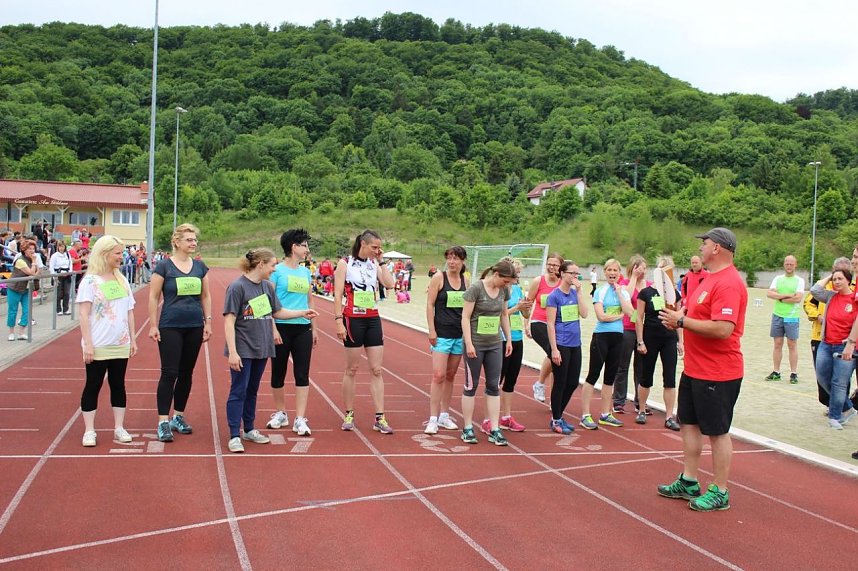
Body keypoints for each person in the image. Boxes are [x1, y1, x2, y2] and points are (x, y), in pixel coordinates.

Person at [657, 227, 747, 512]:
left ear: (717, 248)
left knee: (718, 432)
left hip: (718, 372)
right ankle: (689, 480)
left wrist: (681, 323)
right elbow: (696, 313)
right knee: (690, 424)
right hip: (695, 369)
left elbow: (723, 328)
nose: (700, 248)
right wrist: (679, 316)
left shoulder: (729, 283)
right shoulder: (708, 280)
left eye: (704, 243)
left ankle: (720, 490)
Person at [223, 248, 318, 453]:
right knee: (239, 390)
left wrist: (302, 312)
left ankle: (248, 429)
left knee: (252, 390)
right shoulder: (237, 287)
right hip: (243, 348)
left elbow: (278, 312)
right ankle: (234, 435)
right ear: (261, 264)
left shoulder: (266, 287)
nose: (275, 269)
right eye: (273, 265)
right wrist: (232, 351)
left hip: (261, 348)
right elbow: (229, 320)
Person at [148, 224, 212, 443]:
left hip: (194, 325)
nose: (193, 243)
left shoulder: (200, 267)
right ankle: (163, 421)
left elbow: (206, 296)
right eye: (188, 240)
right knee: (169, 373)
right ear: (176, 242)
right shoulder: (164, 267)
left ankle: (178, 416)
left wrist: (208, 322)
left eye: (194, 240)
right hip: (170, 325)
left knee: (187, 373)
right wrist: (153, 325)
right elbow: (153, 297)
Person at [77, 235, 138, 447]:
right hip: (98, 343)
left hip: (120, 343)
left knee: (118, 385)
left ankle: (119, 427)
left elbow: (129, 310)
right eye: (118, 253)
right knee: (93, 385)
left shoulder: (122, 279)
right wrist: (88, 343)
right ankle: (89, 430)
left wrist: (132, 339)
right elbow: (84, 314)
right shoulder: (90, 282)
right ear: (105, 254)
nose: (121, 257)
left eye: (122, 253)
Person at [334, 230, 396, 434]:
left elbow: (389, 284)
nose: (377, 250)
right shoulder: (345, 263)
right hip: (352, 319)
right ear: (363, 243)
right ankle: (349, 413)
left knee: (377, 369)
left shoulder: (374, 263)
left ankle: (380, 417)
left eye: (379, 248)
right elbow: (337, 294)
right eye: (374, 247)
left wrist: (382, 261)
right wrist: (338, 321)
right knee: (351, 369)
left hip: (372, 319)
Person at [460, 260, 516, 446]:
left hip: (494, 344)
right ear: (497, 275)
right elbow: (465, 317)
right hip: (475, 344)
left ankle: (495, 429)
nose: (507, 285)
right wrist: (469, 343)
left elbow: (503, 315)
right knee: (471, 386)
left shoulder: (504, 290)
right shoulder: (476, 288)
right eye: (505, 281)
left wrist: (508, 339)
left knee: (493, 385)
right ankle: (467, 427)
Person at [266, 229, 316, 437]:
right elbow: (268, 301)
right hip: (281, 327)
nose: (307, 249)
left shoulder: (305, 272)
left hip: (302, 327)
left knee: (302, 373)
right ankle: (280, 413)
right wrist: (273, 328)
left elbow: (310, 300)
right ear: (293, 247)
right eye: (304, 245)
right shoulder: (276, 271)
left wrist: (314, 329)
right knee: (278, 373)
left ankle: (300, 418)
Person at [580, 258, 634, 430]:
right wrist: (620, 316)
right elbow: (601, 316)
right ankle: (585, 415)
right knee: (593, 375)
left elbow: (631, 314)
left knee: (610, 377)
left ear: (620, 273)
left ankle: (605, 414)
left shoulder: (623, 292)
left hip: (618, 338)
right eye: (609, 270)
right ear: (605, 272)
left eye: (615, 270)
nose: (612, 273)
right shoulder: (600, 291)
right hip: (601, 337)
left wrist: (619, 293)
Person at [424, 246, 468, 434]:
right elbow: (429, 304)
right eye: (449, 258)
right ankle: (433, 418)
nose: (452, 262)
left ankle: (444, 415)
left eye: (456, 258)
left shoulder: (466, 280)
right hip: (441, 334)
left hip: (459, 335)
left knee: (450, 376)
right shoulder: (438, 278)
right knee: (438, 375)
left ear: (462, 261)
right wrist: (431, 330)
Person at [635, 256, 682, 430]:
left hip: (669, 338)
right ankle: (641, 409)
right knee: (646, 375)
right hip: (650, 337)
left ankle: (670, 416)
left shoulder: (675, 295)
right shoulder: (646, 293)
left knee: (670, 378)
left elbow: (679, 319)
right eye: (662, 269)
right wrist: (640, 341)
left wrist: (680, 341)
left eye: (668, 270)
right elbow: (639, 318)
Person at [812, 269, 858, 429]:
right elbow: (814, 291)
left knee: (839, 382)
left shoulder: (854, 299)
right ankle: (848, 408)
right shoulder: (831, 296)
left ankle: (835, 416)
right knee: (822, 376)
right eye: (835, 279)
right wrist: (830, 277)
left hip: (844, 346)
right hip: (826, 344)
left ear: (848, 280)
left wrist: (851, 343)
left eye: (840, 279)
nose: (837, 282)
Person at [546, 260, 588, 434]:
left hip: (575, 344)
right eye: (572, 273)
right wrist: (554, 349)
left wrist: (579, 293)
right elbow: (549, 324)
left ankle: (559, 415)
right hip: (561, 344)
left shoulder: (574, 293)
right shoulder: (554, 296)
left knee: (572, 383)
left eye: (577, 274)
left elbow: (584, 314)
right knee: (560, 383)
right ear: (563, 274)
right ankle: (556, 419)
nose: (575, 276)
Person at [496, 258, 533, 432]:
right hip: (501, 338)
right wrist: (516, 308)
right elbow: (498, 315)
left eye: (518, 273)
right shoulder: (498, 289)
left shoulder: (518, 289)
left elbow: (525, 315)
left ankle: (506, 416)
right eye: (515, 272)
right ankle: (491, 417)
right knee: (497, 380)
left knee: (511, 380)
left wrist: (526, 308)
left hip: (517, 337)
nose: (517, 276)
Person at [526, 253, 564, 403]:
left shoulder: (563, 283)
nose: (551, 267)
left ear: (561, 267)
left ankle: (555, 397)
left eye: (555, 265)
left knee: (557, 356)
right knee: (553, 351)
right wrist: (526, 324)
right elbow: (527, 304)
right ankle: (540, 384)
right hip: (539, 323)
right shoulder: (538, 281)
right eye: (549, 264)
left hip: (557, 325)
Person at [613, 255, 648, 414]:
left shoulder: (649, 286)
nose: (642, 271)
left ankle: (640, 402)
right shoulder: (625, 283)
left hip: (644, 331)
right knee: (622, 366)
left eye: (645, 268)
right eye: (639, 267)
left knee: (641, 367)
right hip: (627, 328)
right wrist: (633, 277)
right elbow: (625, 298)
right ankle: (619, 400)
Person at [765, 255, 805, 384]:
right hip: (778, 315)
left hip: (792, 317)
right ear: (784, 265)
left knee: (792, 344)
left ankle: (793, 373)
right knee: (777, 344)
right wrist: (786, 296)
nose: (789, 266)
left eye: (791, 264)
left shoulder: (799, 280)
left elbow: (798, 298)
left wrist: (779, 297)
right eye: (787, 264)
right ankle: (776, 371)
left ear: (795, 265)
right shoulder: (778, 278)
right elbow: (769, 294)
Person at [6, 240, 39, 341]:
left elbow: (38, 271)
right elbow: (31, 273)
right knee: (13, 310)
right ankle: (11, 332)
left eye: (33, 249)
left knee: (27, 310)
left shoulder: (33, 259)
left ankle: (21, 332)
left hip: (27, 289)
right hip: (14, 288)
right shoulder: (20, 260)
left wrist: (34, 266)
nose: (32, 251)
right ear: (24, 250)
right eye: (30, 249)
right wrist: (34, 263)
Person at [49, 240, 73, 315]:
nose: (61, 248)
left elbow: (70, 264)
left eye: (62, 246)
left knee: (67, 293)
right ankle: (58, 309)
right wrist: (54, 277)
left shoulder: (67, 255)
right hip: (58, 276)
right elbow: (51, 267)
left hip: (67, 275)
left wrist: (69, 272)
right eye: (60, 246)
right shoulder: (54, 256)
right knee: (58, 294)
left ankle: (66, 309)